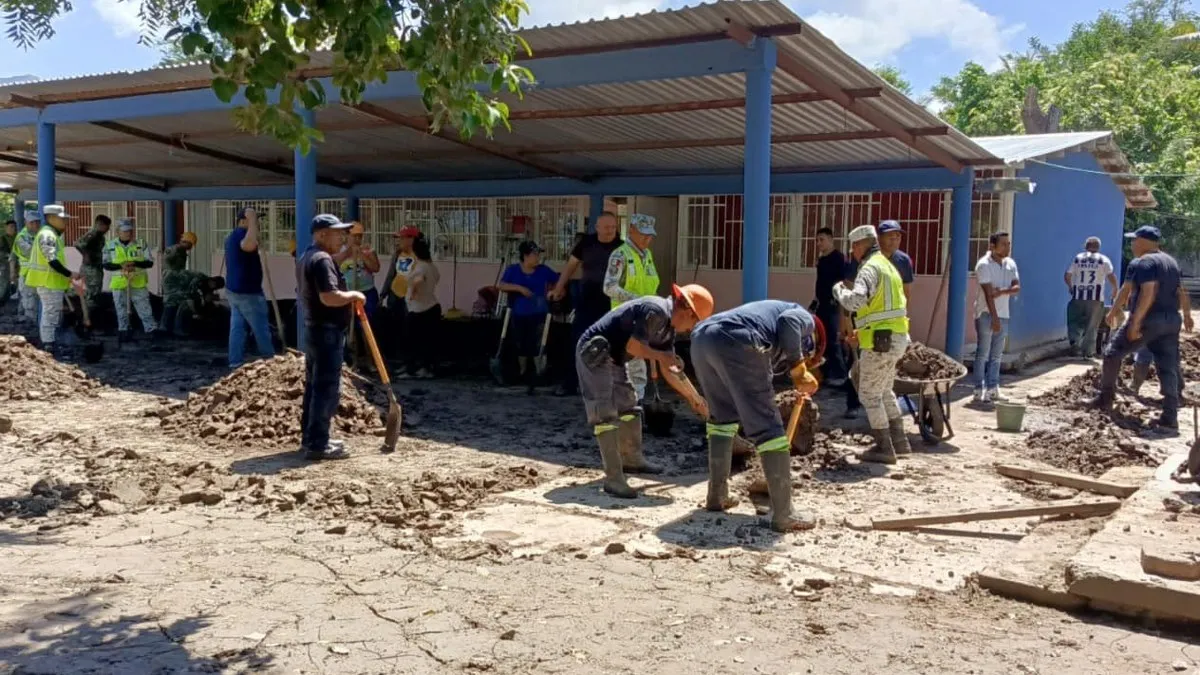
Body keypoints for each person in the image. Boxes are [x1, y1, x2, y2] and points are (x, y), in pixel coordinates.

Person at [691, 300, 822, 532]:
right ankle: (784, 514)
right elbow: (789, 323)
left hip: (702, 339)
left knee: (722, 417)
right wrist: (800, 370)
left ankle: (717, 495)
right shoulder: (806, 319)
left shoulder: (766, 318)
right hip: (735, 339)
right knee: (768, 426)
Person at [576, 285, 712, 497]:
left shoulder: (669, 328)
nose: (690, 328)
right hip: (594, 352)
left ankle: (632, 459)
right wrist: (659, 357)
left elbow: (670, 369)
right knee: (604, 413)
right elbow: (633, 347)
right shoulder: (655, 311)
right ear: (687, 311)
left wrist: (694, 398)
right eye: (695, 322)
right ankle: (614, 479)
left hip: (615, 358)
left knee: (629, 405)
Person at [1093, 226, 1190, 429]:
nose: (1132, 244)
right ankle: (1170, 417)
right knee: (1168, 366)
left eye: (1134, 240)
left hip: (1149, 319)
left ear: (1143, 241)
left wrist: (1135, 322)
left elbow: (1148, 292)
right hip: (1171, 320)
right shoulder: (1170, 262)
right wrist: (1187, 316)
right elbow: (1180, 291)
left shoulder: (1142, 262)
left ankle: (1105, 398)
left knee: (1112, 353)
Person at [834, 225, 912, 465]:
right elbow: (881, 308)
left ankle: (883, 447)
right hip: (895, 337)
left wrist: (838, 291)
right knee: (885, 391)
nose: (852, 252)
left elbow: (856, 301)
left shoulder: (868, 269)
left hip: (881, 342)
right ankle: (900, 442)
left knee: (869, 394)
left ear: (860, 245)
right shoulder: (888, 266)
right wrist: (862, 330)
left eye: (854, 247)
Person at [297, 214, 364, 461]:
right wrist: (354, 295)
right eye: (338, 233)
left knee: (314, 386)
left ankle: (312, 437)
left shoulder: (309, 256)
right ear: (322, 234)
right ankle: (318, 444)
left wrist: (346, 253)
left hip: (315, 330)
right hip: (326, 332)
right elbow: (329, 297)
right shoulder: (322, 260)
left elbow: (329, 263)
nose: (342, 237)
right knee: (326, 388)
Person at [549, 211, 623, 396]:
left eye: (613, 227)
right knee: (579, 340)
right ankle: (570, 383)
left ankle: (612, 386)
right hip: (588, 299)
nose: (610, 231)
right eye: (606, 227)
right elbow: (570, 267)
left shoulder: (622, 247)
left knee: (614, 344)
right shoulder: (586, 244)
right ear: (597, 227)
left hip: (612, 301)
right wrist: (559, 287)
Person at [603, 213, 660, 401]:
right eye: (644, 234)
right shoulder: (620, 255)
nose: (648, 238)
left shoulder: (648, 255)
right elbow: (609, 287)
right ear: (632, 231)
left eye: (650, 235)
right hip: (624, 320)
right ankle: (627, 408)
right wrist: (636, 300)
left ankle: (637, 405)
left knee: (639, 368)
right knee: (629, 367)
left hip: (644, 321)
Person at [498, 240, 560, 391]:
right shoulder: (513, 270)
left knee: (539, 344)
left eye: (538, 254)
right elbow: (501, 285)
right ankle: (522, 372)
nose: (537, 257)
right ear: (525, 256)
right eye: (534, 254)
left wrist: (557, 292)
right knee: (521, 344)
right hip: (519, 313)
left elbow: (559, 281)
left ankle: (540, 373)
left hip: (539, 313)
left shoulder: (543, 270)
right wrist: (519, 288)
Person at [25, 204, 82, 358]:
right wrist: (70, 274)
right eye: (62, 219)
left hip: (52, 282)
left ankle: (51, 344)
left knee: (52, 314)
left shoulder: (51, 234)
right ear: (50, 218)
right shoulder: (47, 235)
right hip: (48, 282)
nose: (66, 222)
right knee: (50, 314)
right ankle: (48, 346)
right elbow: (52, 260)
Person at [224, 206, 275, 368]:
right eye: (255, 220)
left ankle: (235, 362)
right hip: (248, 293)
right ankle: (270, 360)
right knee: (261, 328)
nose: (258, 223)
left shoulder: (231, 236)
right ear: (243, 221)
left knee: (237, 327)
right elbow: (249, 245)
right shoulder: (241, 236)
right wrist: (252, 221)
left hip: (234, 290)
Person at [972, 232, 1020, 403]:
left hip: (1004, 313)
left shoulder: (1010, 263)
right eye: (1003, 244)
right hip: (986, 314)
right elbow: (987, 294)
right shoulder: (984, 265)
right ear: (992, 246)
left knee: (996, 355)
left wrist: (1001, 291)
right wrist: (995, 318)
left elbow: (1016, 287)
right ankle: (978, 389)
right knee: (983, 353)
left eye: (1008, 244)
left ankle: (993, 388)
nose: (1007, 247)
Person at [102, 218, 157, 340]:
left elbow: (149, 263)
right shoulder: (110, 246)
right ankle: (124, 331)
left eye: (130, 231)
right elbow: (105, 264)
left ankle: (151, 331)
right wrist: (120, 265)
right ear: (118, 232)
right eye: (125, 231)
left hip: (137, 282)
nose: (128, 234)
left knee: (144, 308)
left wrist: (135, 263)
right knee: (121, 309)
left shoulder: (141, 244)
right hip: (119, 283)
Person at [1064, 237, 1117, 358]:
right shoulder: (1103, 260)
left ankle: (1074, 341)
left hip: (1078, 295)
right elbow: (1110, 275)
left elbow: (1067, 275)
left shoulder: (1078, 258)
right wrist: (1115, 289)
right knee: (1092, 325)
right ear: (1098, 247)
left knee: (1073, 319)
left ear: (1086, 246)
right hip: (1096, 298)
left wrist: (1071, 287)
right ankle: (1087, 352)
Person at [401, 234, 441, 378]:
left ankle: (413, 369)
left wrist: (413, 292)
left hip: (419, 309)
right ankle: (426, 368)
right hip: (431, 306)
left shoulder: (421, 267)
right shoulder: (432, 266)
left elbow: (418, 279)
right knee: (428, 341)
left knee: (414, 342)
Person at [812, 227, 847, 386]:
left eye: (822, 240)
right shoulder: (822, 259)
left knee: (833, 339)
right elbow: (820, 283)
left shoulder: (838, 258)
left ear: (831, 240)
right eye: (817, 240)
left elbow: (843, 283)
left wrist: (838, 302)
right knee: (821, 340)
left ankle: (841, 375)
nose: (819, 243)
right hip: (821, 304)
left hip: (833, 305)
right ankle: (825, 374)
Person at [381, 226, 418, 361]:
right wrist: (383, 293)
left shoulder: (419, 256)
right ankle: (395, 357)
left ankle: (408, 358)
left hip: (410, 297)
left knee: (408, 328)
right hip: (395, 294)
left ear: (411, 239)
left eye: (402, 238)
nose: (399, 241)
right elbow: (391, 273)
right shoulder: (397, 254)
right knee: (394, 327)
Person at [161, 232, 208, 337]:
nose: (191, 247)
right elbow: (167, 262)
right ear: (186, 242)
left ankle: (168, 329)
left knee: (173, 303)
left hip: (176, 279)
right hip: (171, 279)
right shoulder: (175, 250)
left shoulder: (181, 251)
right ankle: (169, 329)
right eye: (190, 244)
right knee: (173, 302)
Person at [335, 222, 381, 318]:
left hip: (367, 292)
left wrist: (361, 255)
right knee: (349, 323)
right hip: (347, 293)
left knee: (366, 323)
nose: (357, 239)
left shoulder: (368, 250)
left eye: (360, 237)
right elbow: (334, 263)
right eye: (354, 236)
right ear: (347, 235)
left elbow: (375, 268)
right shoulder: (339, 250)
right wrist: (349, 252)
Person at [75, 214, 111, 314]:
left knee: (95, 295)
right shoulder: (93, 234)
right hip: (90, 270)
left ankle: (90, 319)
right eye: (107, 226)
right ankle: (87, 320)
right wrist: (85, 255)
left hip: (96, 268)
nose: (108, 229)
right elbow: (78, 244)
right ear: (101, 225)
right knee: (91, 296)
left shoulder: (100, 236)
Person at [13, 208, 41, 325]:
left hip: (37, 274)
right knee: (29, 301)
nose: (35, 224)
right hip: (27, 274)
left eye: (37, 222)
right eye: (32, 222)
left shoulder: (39, 234)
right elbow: (31, 253)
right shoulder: (21, 237)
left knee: (34, 300)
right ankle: (30, 326)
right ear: (26, 223)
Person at [876, 220, 914, 302]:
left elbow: (906, 292)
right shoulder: (867, 258)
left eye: (897, 236)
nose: (894, 240)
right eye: (890, 236)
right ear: (879, 238)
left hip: (894, 312)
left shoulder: (904, 260)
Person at [0, 219, 14, 304]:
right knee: (4, 283)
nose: (13, 229)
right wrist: (8, 256)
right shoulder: (2, 239)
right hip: (5, 265)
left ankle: (6, 299)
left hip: (15, 265)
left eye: (14, 227)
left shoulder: (17, 237)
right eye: (11, 227)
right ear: (6, 228)